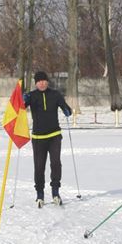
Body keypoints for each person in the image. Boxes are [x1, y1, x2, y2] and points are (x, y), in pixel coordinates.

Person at [23, 71, 73, 207]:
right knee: (39, 167)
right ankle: (40, 194)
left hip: (54, 136)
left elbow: (66, 108)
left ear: (47, 82)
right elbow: (21, 107)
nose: (42, 83)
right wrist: (23, 99)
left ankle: (55, 191)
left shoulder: (55, 94)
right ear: (36, 83)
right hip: (38, 138)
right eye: (39, 81)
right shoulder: (32, 96)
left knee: (56, 163)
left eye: (44, 80)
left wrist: (67, 110)